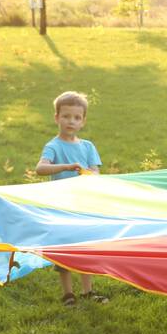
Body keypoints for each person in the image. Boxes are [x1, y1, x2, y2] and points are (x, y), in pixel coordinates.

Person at [34, 90, 109, 306]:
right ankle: (68, 294)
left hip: (84, 205)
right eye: (66, 116)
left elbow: (96, 173)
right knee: (64, 248)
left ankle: (88, 291)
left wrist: (87, 174)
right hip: (61, 206)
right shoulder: (53, 146)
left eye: (77, 117)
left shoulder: (87, 147)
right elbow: (40, 168)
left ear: (83, 121)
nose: (71, 121)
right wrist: (66, 167)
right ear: (56, 118)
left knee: (85, 246)